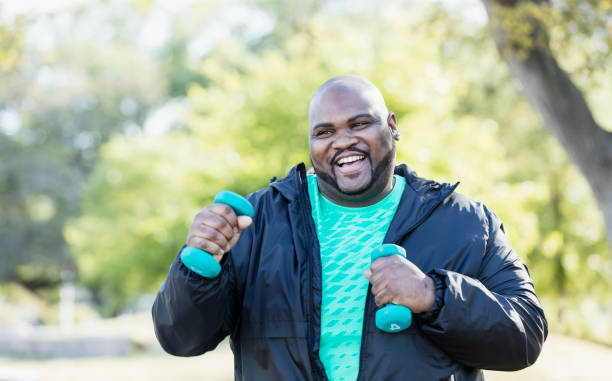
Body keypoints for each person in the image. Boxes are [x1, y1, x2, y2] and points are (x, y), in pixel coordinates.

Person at [152, 75, 547, 380]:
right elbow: (180, 338)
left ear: (392, 126)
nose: (343, 142)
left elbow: (525, 336)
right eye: (324, 132)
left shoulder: (464, 222)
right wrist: (199, 266)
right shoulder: (257, 220)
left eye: (360, 124)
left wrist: (433, 295)